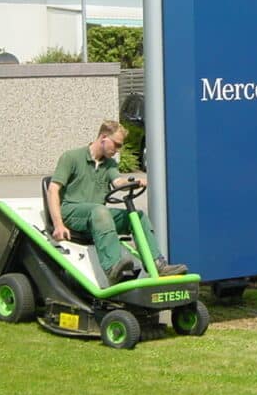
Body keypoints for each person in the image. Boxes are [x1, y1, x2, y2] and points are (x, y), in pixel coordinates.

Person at [47, 120, 187, 282]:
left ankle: (157, 265)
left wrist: (134, 183)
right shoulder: (71, 157)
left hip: (97, 216)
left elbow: (118, 182)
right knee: (100, 210)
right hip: (71, 212)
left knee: (137, 216)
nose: (118, 150)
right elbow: (53, 190)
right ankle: (112, 268)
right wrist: (58, 225)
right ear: (103, 137)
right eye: (117, 145)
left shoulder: (110, 164)